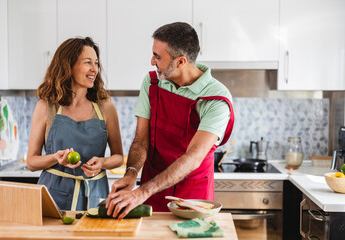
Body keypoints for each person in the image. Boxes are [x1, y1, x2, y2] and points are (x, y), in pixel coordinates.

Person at [106, 22, 234, 218]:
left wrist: (143, 191)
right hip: (150, 192)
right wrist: (131, 174)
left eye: (157, 56)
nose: (151, 61)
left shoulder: (216, 99)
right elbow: (141, 139)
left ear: (181, 61)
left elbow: (194, 156)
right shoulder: (152, 82)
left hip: (193, 197)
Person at [27, 37, 123, 211]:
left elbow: (118, 157)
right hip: (53, 197)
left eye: (96, 63)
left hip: (94, 195)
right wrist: (55, 157)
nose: (94, 69)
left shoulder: (106, 108)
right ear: (68, 66)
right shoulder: (45, 107)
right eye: (88, 63)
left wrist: (102, 162)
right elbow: (32, 162)